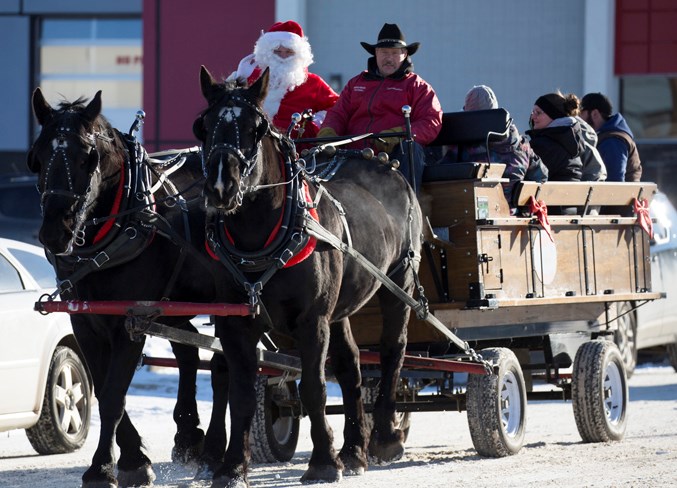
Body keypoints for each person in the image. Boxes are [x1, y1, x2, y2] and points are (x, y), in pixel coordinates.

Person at [317, 23, 443, 192]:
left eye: (394, 53)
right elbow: (338, 113)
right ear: (375, 54)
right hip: (353, 156)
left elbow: (431, 121)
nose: (388, 58)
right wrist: (328, 132)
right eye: (384, 52)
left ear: (405, 54)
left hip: (393, 159)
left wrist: (398, 136)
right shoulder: (355, 84)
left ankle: (406, 211)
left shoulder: (418, 87)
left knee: (410, 147)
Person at [441, 85, 549, 207]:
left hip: (475, 216)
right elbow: (541, 175)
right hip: (513, 217)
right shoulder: (521, 144)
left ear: (467, 113)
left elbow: (442, 176)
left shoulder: (462, 145)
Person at [228, 20, 339, 139]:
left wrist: (316, 122)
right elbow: (225, 102)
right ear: (267, 52)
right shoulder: (252, 77)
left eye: (289, 52)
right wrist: (237, 80)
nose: (283, 56)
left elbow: (337, 108)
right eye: (277, 51)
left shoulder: (313, 83)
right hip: (256, 147)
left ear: (298, 55)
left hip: (298, 149)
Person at [580, 92, 642, 182]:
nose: (578, 119)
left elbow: (614, 183)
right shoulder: (608, 136)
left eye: (580, 114)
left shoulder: (612, 141)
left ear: (594, 114)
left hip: (619, 195)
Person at [525, 91, 585, 182]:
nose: (533, 117)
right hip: (567, 194)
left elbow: (523, 176)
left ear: (553, 115)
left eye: (538, 112)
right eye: (533, 112)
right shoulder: (570, 141)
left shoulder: (543, 145)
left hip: (548, 195)